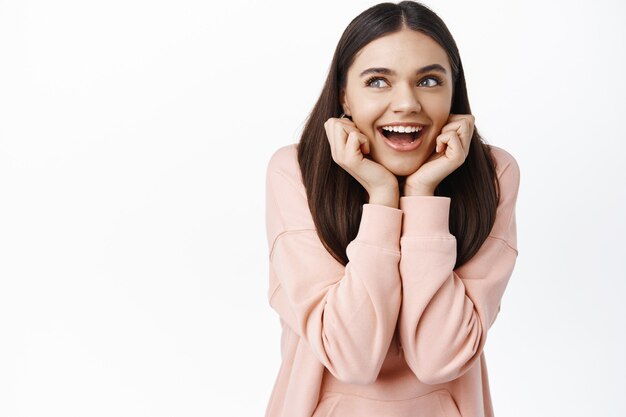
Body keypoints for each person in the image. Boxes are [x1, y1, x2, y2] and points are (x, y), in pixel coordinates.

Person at [264, 1, 520, 416]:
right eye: (378, 82)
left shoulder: (491, 175)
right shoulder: (296, 172)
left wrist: (422, 197)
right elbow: (352, 359)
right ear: (344, 95)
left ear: (453, 91)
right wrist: (382, 198)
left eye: (430, 81)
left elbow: (440, 358)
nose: (406, 103)